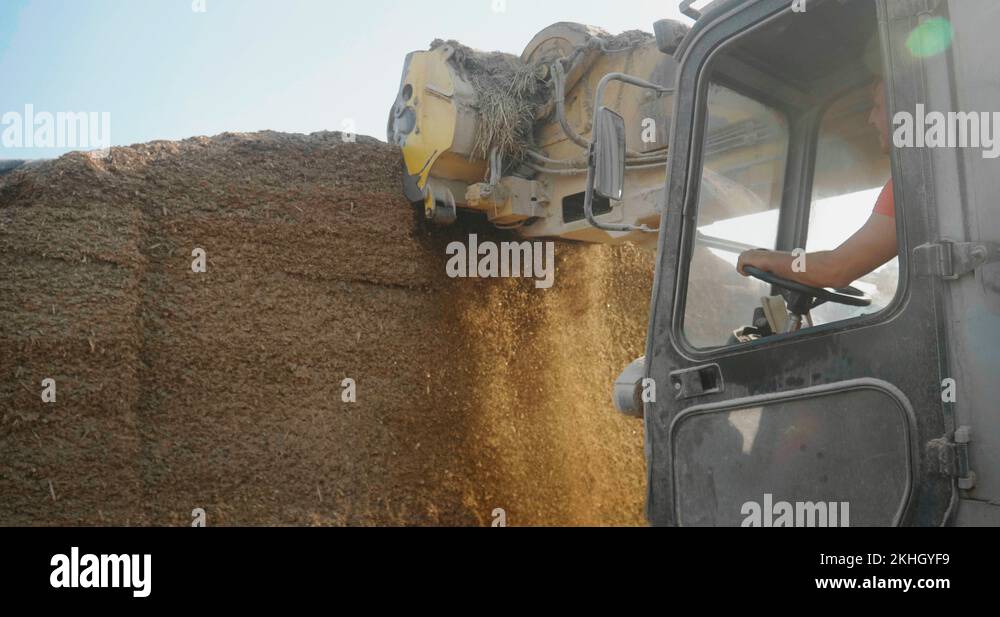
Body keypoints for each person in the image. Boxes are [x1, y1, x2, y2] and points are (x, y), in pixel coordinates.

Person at [736, 79, 896, 290]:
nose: (870, 119)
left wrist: (768, 259)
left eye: (877, 107)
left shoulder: (907, 186)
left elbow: (834, 268)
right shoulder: (923, 180)